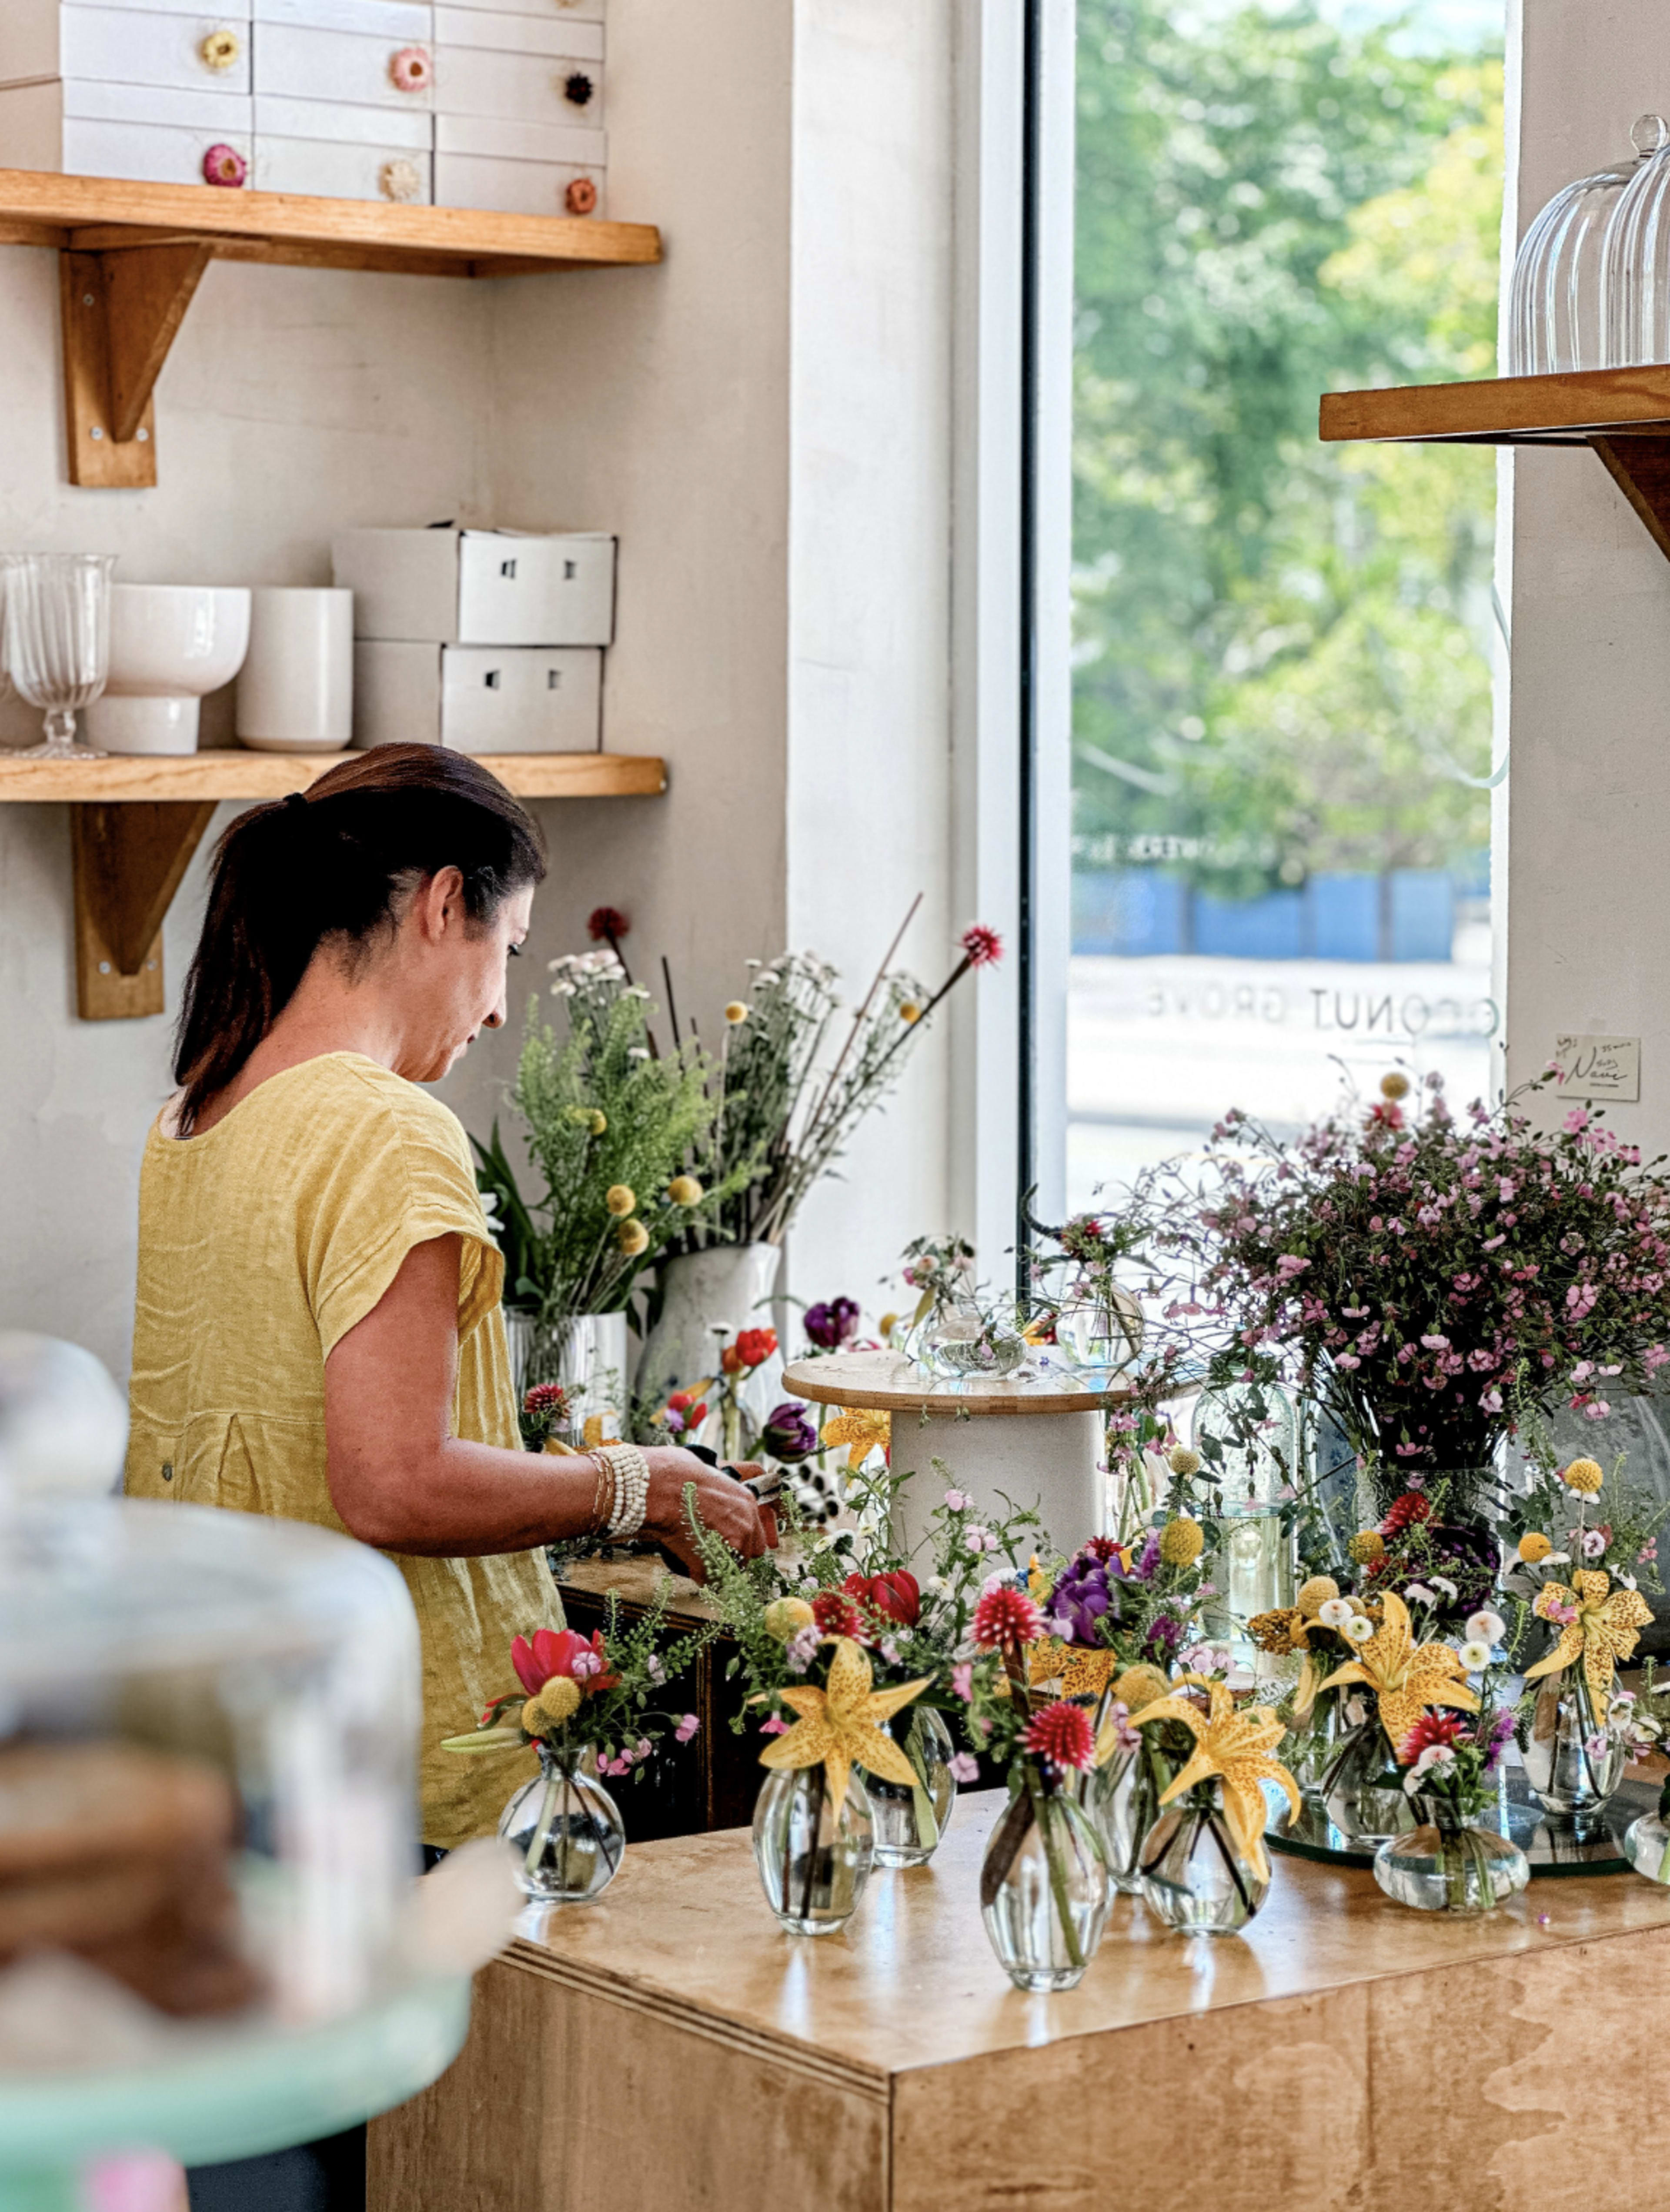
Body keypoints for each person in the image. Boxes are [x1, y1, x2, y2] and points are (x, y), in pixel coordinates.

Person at [124, 748, 772, 2208]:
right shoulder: (382, 1130)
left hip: (215, 1744)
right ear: (438, 907)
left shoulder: (198, 1115)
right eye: (509, 952)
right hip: (386, 1774)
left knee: (253, 2172)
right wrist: (637, 1484)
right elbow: (394, 1483)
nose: (497, 1007)